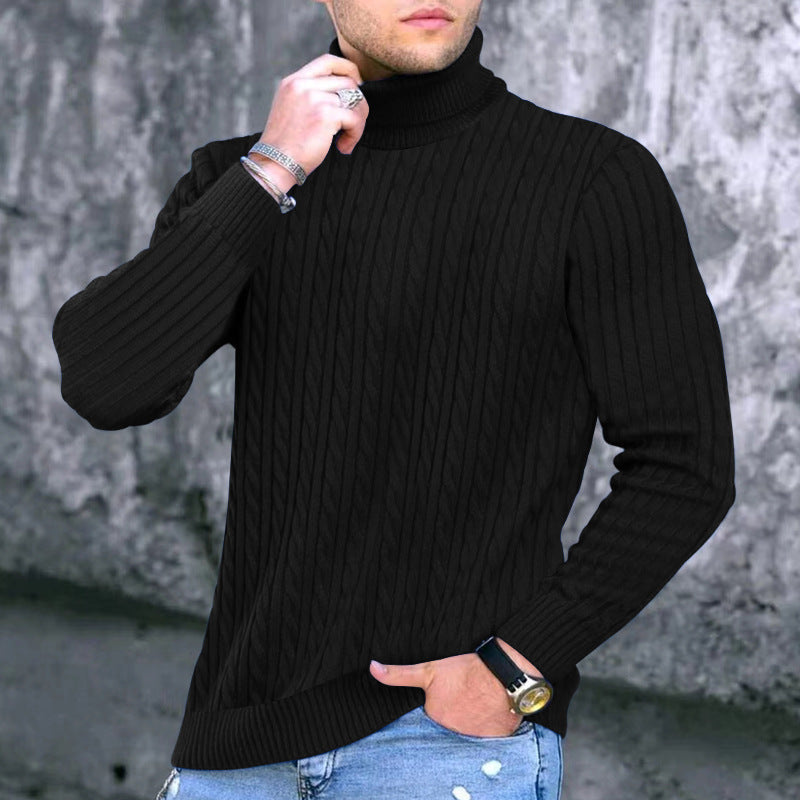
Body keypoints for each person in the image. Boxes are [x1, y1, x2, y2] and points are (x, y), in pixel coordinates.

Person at [51, 1, 737, 798]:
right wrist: (271, 170)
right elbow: (108, 384)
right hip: (235, 753)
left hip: (442, 748)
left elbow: (685, 465)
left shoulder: (590, 177)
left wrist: (514, 667)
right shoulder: (242, 180)